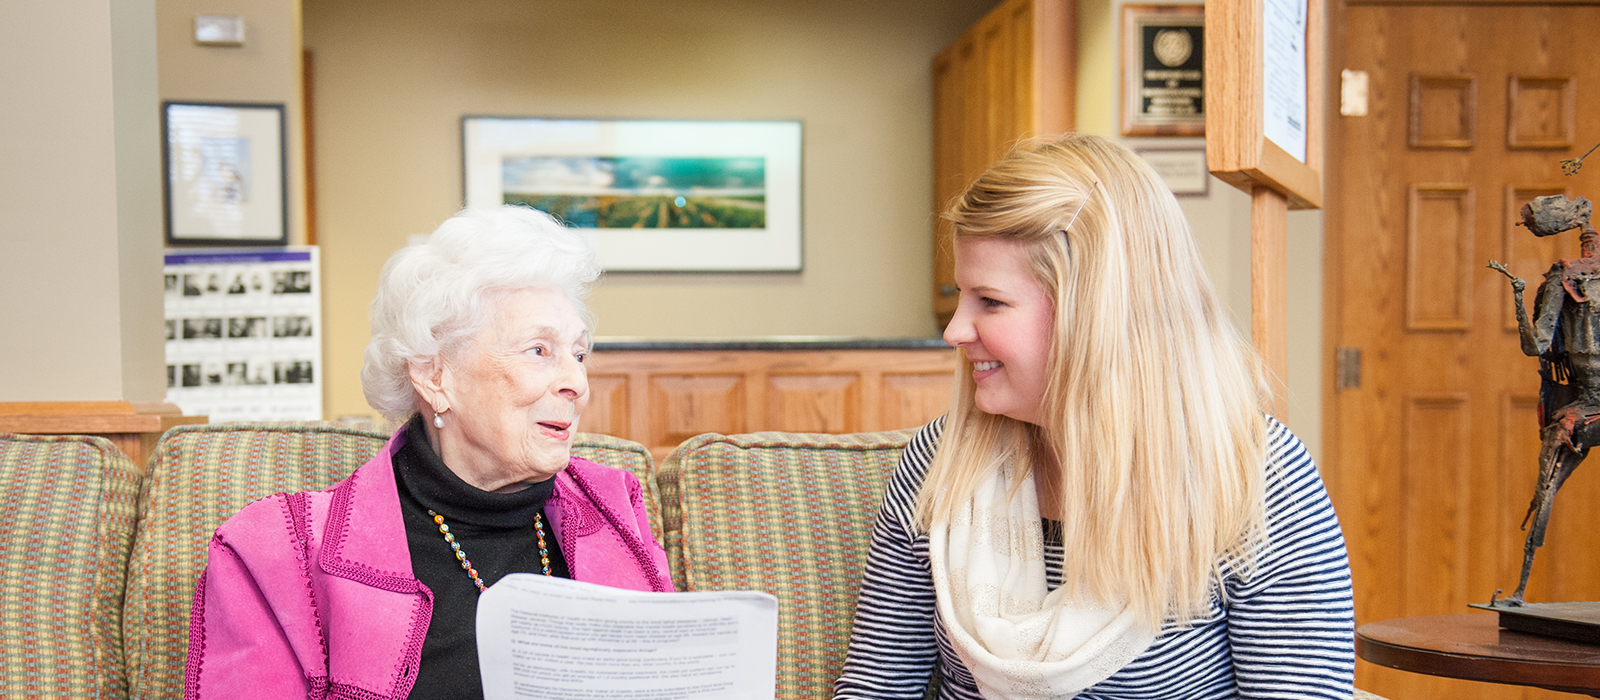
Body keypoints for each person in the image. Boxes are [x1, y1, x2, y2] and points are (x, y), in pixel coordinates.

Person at [833, 134, 1355, 700]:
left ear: (1094, 312)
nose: (954, 330)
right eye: (962, 296)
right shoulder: (939, 462)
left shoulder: (1252, 476)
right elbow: (875, 686)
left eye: (990, 301)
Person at [185, 206, 674, 698]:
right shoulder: (273, 552)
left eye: (579, 354)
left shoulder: (614, 508)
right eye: (539, 351)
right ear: (434, 375)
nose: (576, 383)